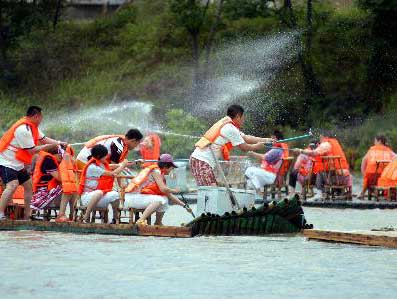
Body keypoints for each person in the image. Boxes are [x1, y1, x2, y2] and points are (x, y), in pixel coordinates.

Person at [0, 106, 65, 220]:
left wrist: (59, 143)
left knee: (28, 186)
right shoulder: (23, 129)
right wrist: (47, 147)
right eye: (41, 118)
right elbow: (32, 150)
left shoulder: (33, 127)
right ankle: (0, 213)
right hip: (7, 161)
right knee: (12, 185)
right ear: (36, 116)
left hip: (18, 163)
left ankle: (27, 216)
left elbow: (44, 139)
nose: (41, 120)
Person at [190, 104, 273, 186]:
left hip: (200, 160)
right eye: (243, 118)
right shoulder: (230, 129)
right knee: (210, 192)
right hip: (202, 161)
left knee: (212, 191)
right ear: (237, 117)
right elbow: (244, 148)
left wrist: (265, 140)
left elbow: (246, 138)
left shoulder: (226, 123)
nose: (243, 121)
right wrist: (259, 146)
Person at [123, 154, 192, 226]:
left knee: (164, 199)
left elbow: (168, 194)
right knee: (159, 200)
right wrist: (175, 190)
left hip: (137, 198)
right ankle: (140, 221)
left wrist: (184, 206)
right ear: (165, 166)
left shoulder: (160, 173)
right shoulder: (156, 171)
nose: (171, 170)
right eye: (171, 168)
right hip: (131, 198)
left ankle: (158, 222)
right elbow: (163, 189)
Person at [293, 134, 352, 200]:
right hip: (346, 176)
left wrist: (300, 151)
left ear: (323, 137)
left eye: (320, 138)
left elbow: (314, 153)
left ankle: (319, 192)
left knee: (320, 170)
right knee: (325, 169)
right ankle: (336, 192)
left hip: (334, 178)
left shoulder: (326, 144)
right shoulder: (335, 143)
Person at [78, 144, 128, 223]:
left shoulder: (101, 164)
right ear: (98, 156)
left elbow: (112, 166)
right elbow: (112, 174)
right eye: (105, 156)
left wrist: (122, 165)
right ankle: (86, 216)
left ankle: (115, 219)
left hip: (98, 197)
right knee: (99, 192)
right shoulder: (92, 167)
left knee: (115, 194)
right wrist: (123, 166)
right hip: (87, 198)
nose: (107, 157)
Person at [31, 145, 78, 222]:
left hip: (49, 191)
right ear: (55, 153)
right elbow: (60, 178)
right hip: (41, 195)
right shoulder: (48, 160)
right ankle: (61, 215)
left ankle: (71, 215)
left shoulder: (52, 160)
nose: (61, 156)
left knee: (74, 188)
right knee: (68, 187)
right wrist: (66, 163)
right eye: (61, 154)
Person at [76, 129, 143, 169]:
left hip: (84, 160)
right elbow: (114, 167)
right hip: (85, 161)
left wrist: (135, 163)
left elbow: (118, 165)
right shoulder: (118, 146)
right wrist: (120, 185)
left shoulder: (121, 142)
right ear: (133, 141)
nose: (136, 147)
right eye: (137, 144)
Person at [359, 135, 395, 199]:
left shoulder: (372, 150)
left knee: (367, 177)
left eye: (375, 141)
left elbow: (363, 160)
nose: (374, 143)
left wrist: (363, 174)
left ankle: (363, 193)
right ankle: (381, 193)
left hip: (371, 176)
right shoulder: (390, 151)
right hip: (383, 177)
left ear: (380, 141)